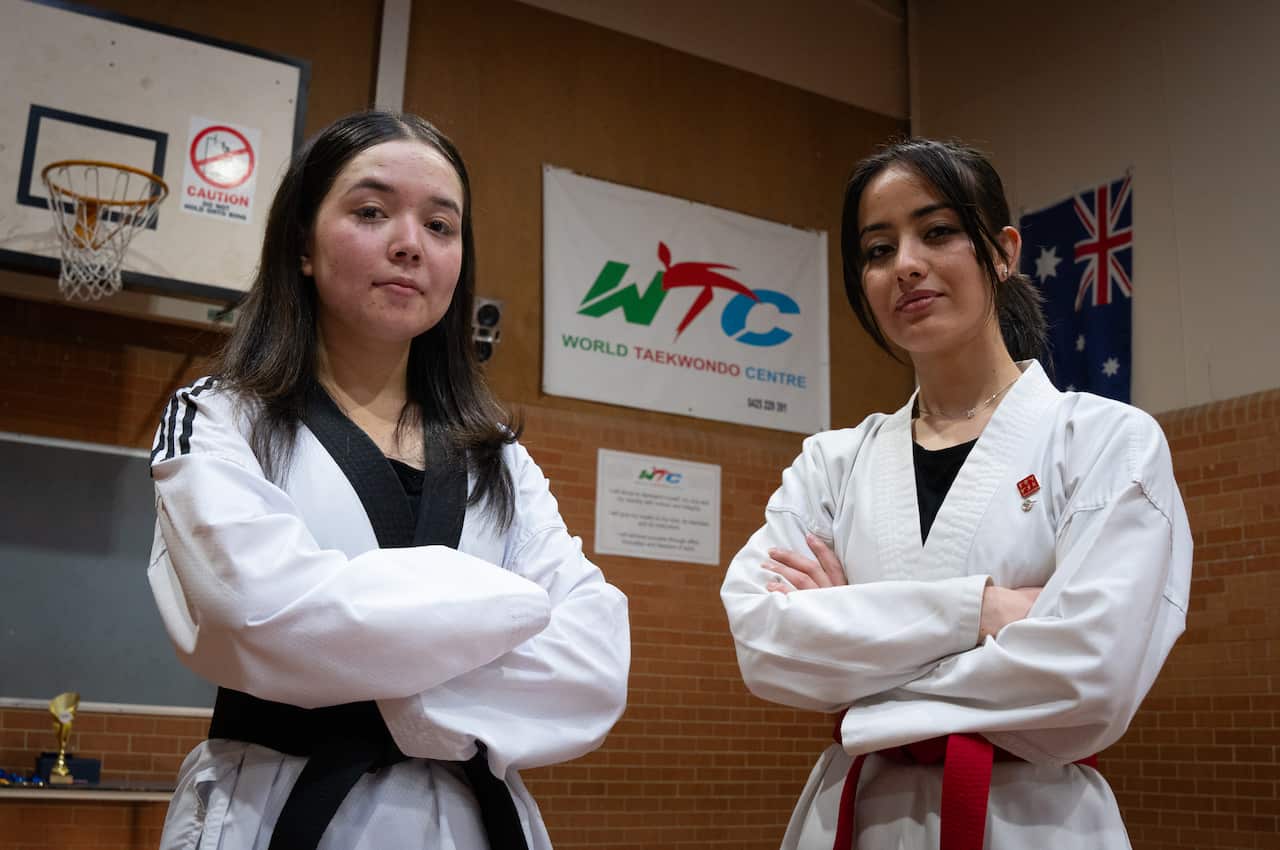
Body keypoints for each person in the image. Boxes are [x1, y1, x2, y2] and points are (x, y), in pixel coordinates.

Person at [147, 110, 630, 850]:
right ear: (303, 244)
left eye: (441, 226)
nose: (410, 244)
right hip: (274, 812)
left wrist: (356, 653)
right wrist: (512, 609)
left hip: (477, 821)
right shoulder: (220, 418)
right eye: (372, 212)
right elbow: (257, 614)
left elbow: (592, 668)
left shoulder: (497, 458)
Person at [721, 139, 1191, 850]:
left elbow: (1093, 672)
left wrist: (857, 665)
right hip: (854, 818)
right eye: (878, 249)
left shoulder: (1104, 441)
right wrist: (984, 610)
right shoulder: (832, 464)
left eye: (937, 232)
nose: (905, 264)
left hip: (1032, 821)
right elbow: (766, 643)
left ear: (1002, 251)